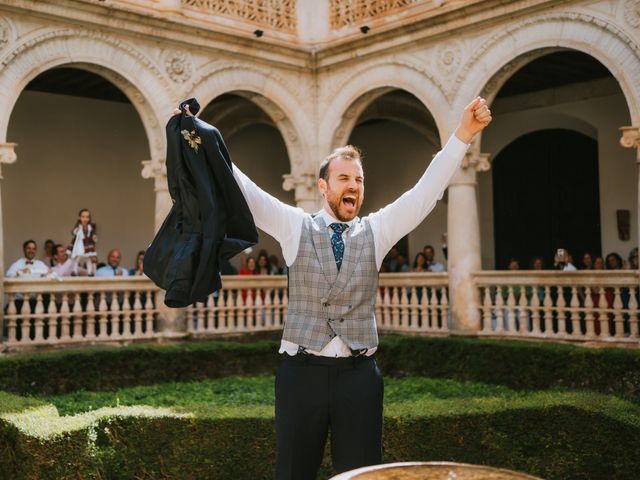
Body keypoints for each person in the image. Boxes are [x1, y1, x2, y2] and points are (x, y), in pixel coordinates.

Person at [178, 96, 491, 479]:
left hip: (359, 377)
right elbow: (245, 190)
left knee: (362, 476)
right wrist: (201, 134)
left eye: (358, 180)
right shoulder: (295, 226)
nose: (354, 186)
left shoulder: (377, 230)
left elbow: (423, 193)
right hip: (301, 374)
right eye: (344, 178)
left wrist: (463, 135)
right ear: (324, 187)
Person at [67, 208, 98, 276]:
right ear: (80, 217)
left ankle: (90, 272)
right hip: (80, 245)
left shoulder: (90, 227)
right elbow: (73, 233)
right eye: (83, 217)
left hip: (87, 245)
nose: (85, 219)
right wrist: (77, 230)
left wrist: (94, 238)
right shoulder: (79, 226)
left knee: (88, 259)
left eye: (87, 217)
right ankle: (74, 271)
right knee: (78, 258)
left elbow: (93, 236)